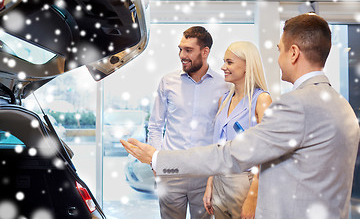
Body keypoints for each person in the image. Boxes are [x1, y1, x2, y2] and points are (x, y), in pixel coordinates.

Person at [121, 14, 360, 219]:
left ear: (294, 53)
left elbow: (232, 154)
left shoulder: (296, 104)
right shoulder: (340, 104)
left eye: (280, 50)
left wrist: (158, 159)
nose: (277, 60)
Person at [147, 26, 229, 219]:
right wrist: (156, 164)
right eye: (180, 49)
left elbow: (223, 133)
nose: (182, 55)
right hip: (171, 171)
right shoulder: (167, 82)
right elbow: (155, 126)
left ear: (205, 51)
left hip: (204, 174)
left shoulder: (224, 85)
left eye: (188, 50)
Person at [203, 41, 271, 219]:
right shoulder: (223, 100)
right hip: (219, 179)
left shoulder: (261, 100)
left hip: (244, 181)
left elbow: (267, 154)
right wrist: (210, 184)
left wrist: (252, 197)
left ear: (248, 66)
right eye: (224, 62)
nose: (223, 67)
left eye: (229, 62)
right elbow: (216, 147)